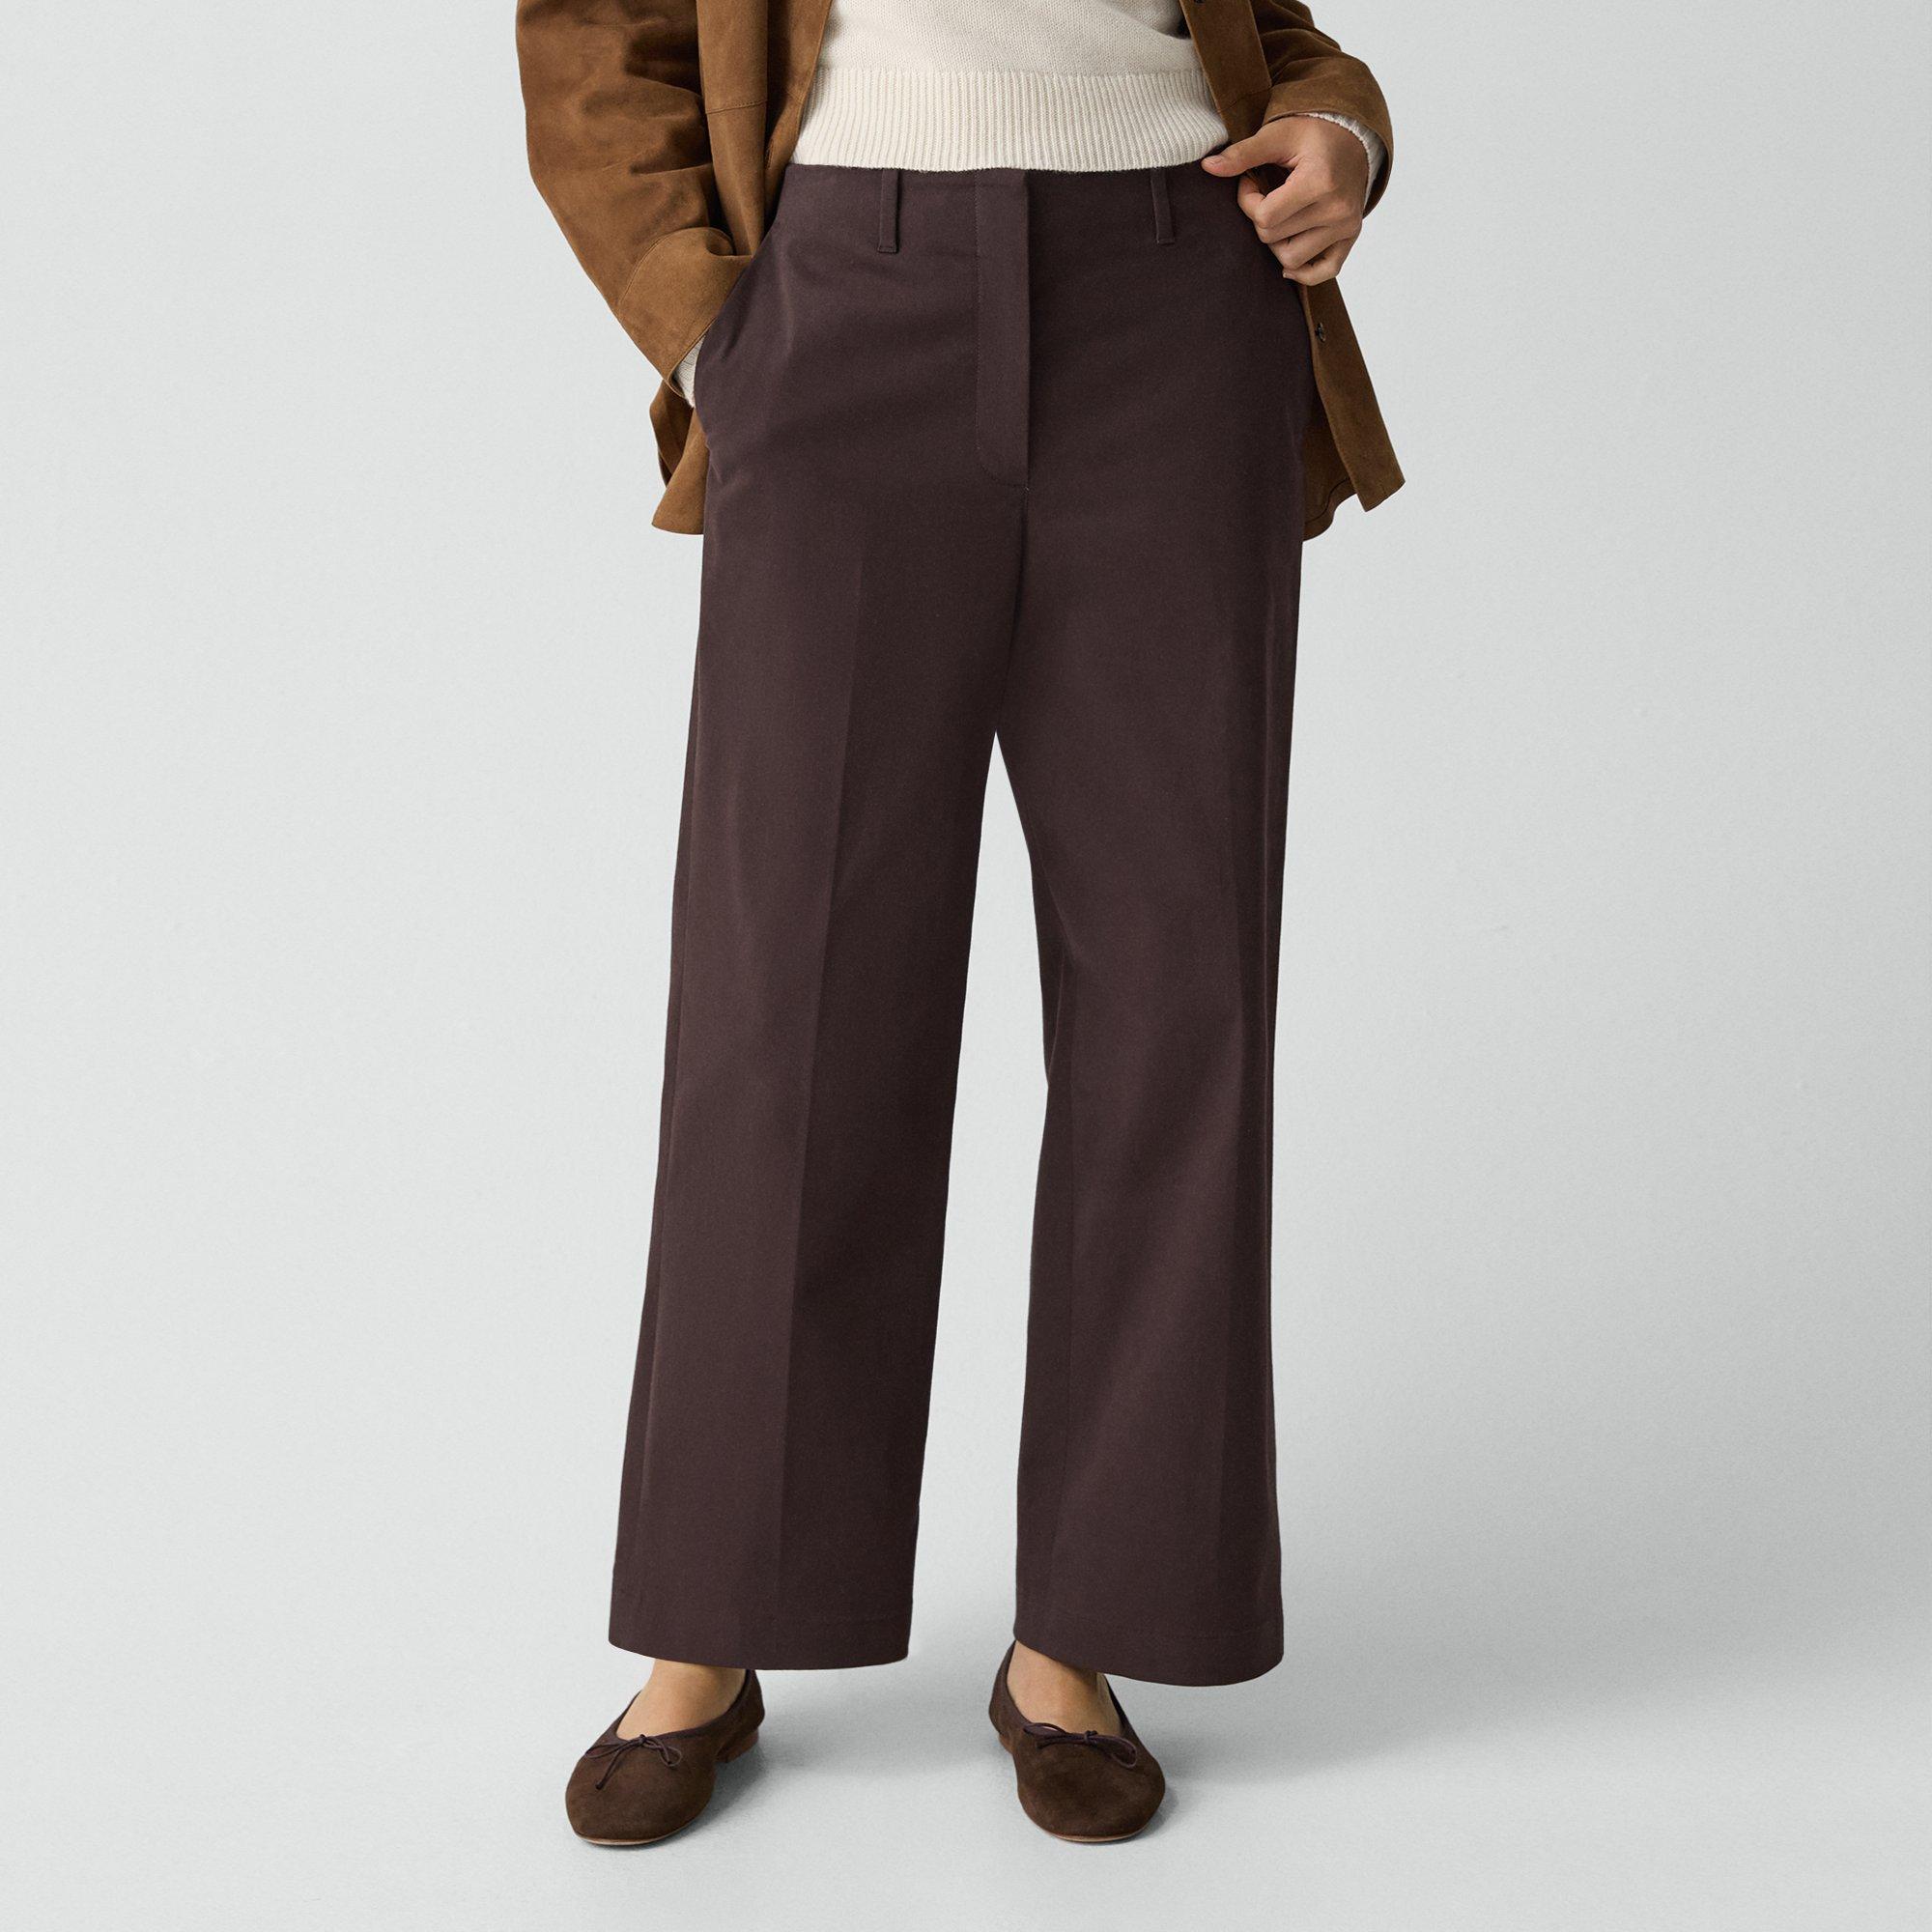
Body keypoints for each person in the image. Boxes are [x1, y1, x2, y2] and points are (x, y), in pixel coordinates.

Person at [515, 0, 1401, 1846]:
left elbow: (1277, 37)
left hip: (1178, 303)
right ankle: (711, 1626)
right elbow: (596, 34)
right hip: (844, 288)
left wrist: (1345, 134)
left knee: (1177, 997)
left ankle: (1084, 1638)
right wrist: (709, 320)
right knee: (786, 1005)